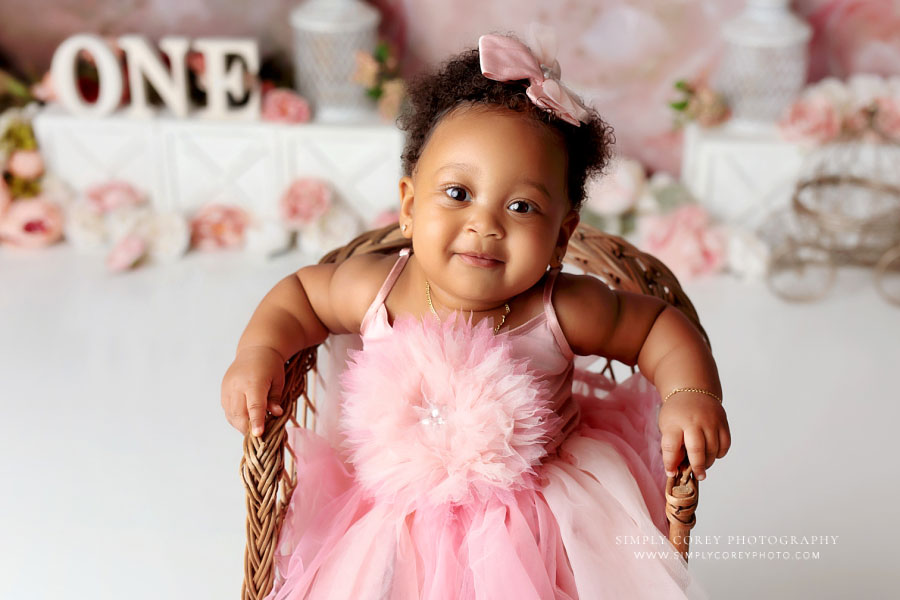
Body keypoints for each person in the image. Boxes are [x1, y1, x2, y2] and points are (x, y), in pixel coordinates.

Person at [221, 30, 729, 599]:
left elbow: (657, 326)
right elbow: (301, 296)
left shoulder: (558, 306)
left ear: (562, 237)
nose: (485, 224)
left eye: (521, 206)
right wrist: (259, 352)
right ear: (410, 207)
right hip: (398, 509)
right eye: (458, 193)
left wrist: (692, 394)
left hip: (537, 521)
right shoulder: (380, 285)